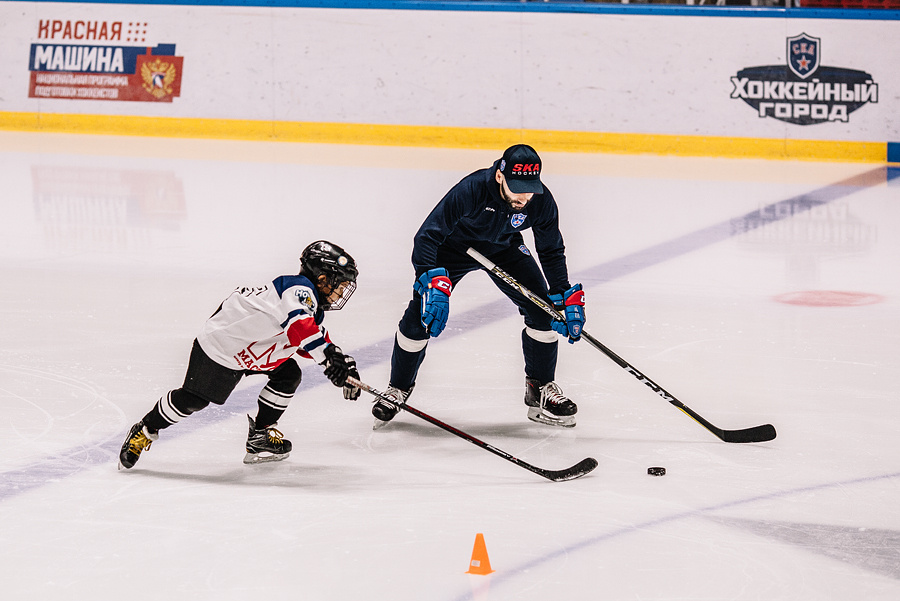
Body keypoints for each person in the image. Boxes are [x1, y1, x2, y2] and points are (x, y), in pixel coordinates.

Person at [372, 144, 585, 430]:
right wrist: (431, 279)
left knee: (542, 312)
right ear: (499, 175)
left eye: (530, 188)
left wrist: (562, 293)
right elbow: (427, 237)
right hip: (453, 250)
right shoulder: (471, 189)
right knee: (420, 317)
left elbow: (550, 250)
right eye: (517, 187)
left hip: (504, 249)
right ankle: (397, 389)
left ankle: (540, 391)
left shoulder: (540, 201)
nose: (524, 196)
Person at [118, 240, 362, 469]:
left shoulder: (310, 305)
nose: (340, 293)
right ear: (321, 279)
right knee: (194, 400)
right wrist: (329, 358)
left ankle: (259, 436)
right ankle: (145, 429)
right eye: (338, 285)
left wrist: (344, 364)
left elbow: (314, 336)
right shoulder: (298, 289)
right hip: (223, 347)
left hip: (256, 349)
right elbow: (302, 329)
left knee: (288, 374)